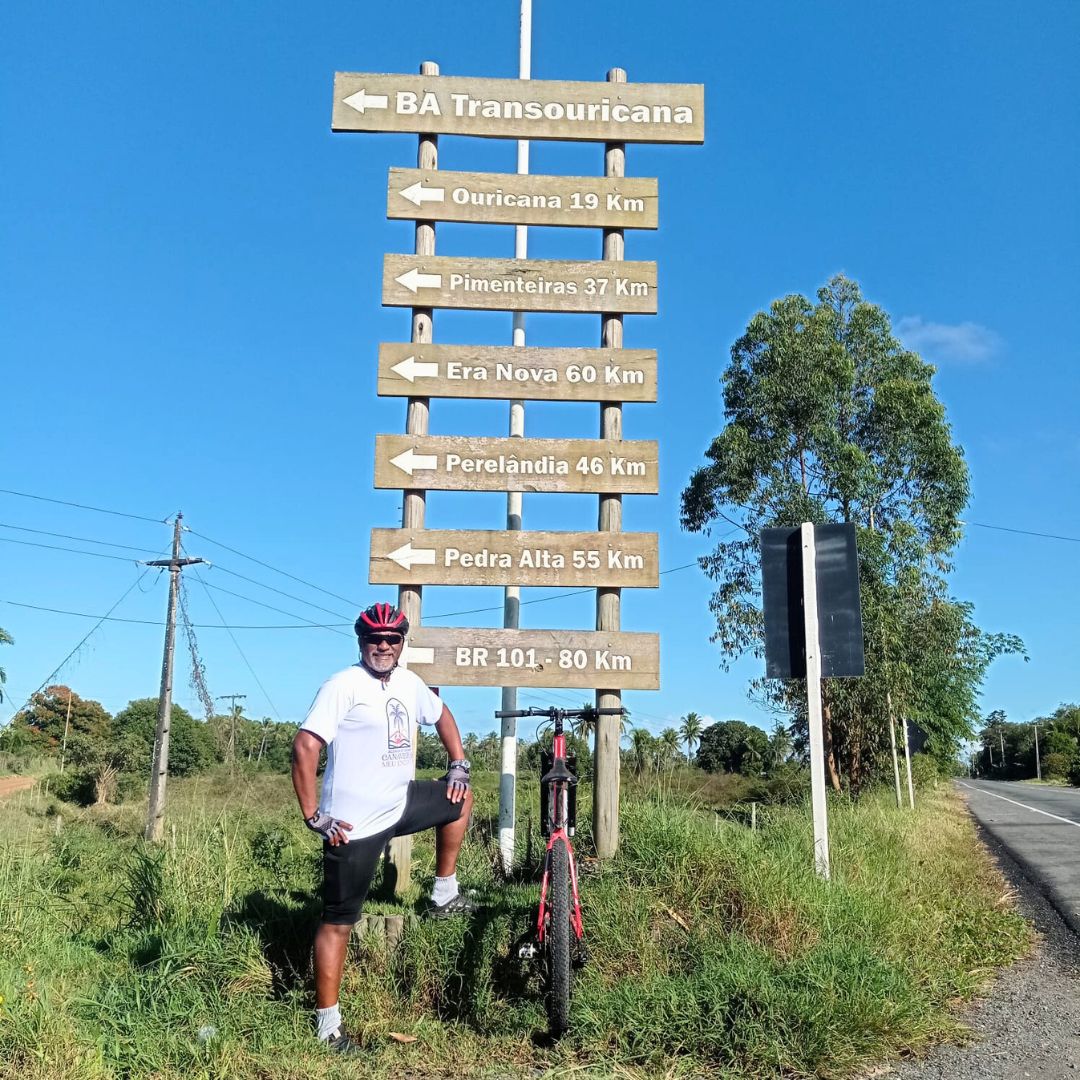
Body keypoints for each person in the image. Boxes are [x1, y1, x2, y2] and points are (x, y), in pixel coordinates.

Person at [291, 601, 475, 1053]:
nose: (384, 646)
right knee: (339, 923)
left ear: (401, 643)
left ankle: (443, 893)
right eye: (375, 638)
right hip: (352, 825)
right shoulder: (343, 685)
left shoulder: (409, 683)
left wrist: (458, 764)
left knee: (461, 797)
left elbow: (443, 715)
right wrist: (314, 815)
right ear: (361, 641)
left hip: (401, 802)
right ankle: (328, 1028)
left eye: (393, 639)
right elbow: (305, 747)